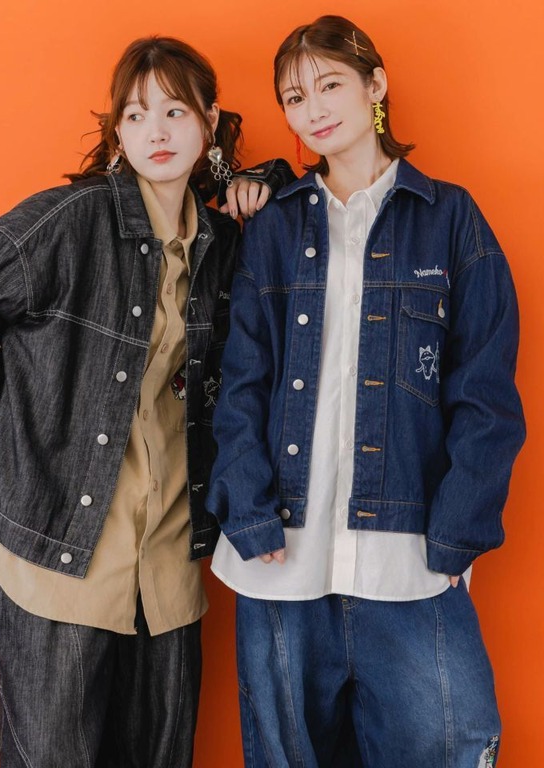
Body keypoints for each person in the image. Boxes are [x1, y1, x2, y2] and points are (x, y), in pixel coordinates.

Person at [0, 35, 291, 767]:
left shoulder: (220, 241)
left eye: (175, 111)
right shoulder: (74, 219)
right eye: (136, 115)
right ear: (117, 132)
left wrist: (266, 179)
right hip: (55, 553)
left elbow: (299, 232)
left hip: (166, 567)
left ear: (210, 122)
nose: (156, 132)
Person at [206, 15, 525, 767]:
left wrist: (457, 531)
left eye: (330, 84)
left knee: (451, 746)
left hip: (408, 558)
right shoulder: (274, 228)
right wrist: (247, 507)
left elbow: (485, 394)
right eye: (294, 98)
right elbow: (242, 380)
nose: (313, 108)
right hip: (280, 556)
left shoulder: (451, 219)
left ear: (375, 85)